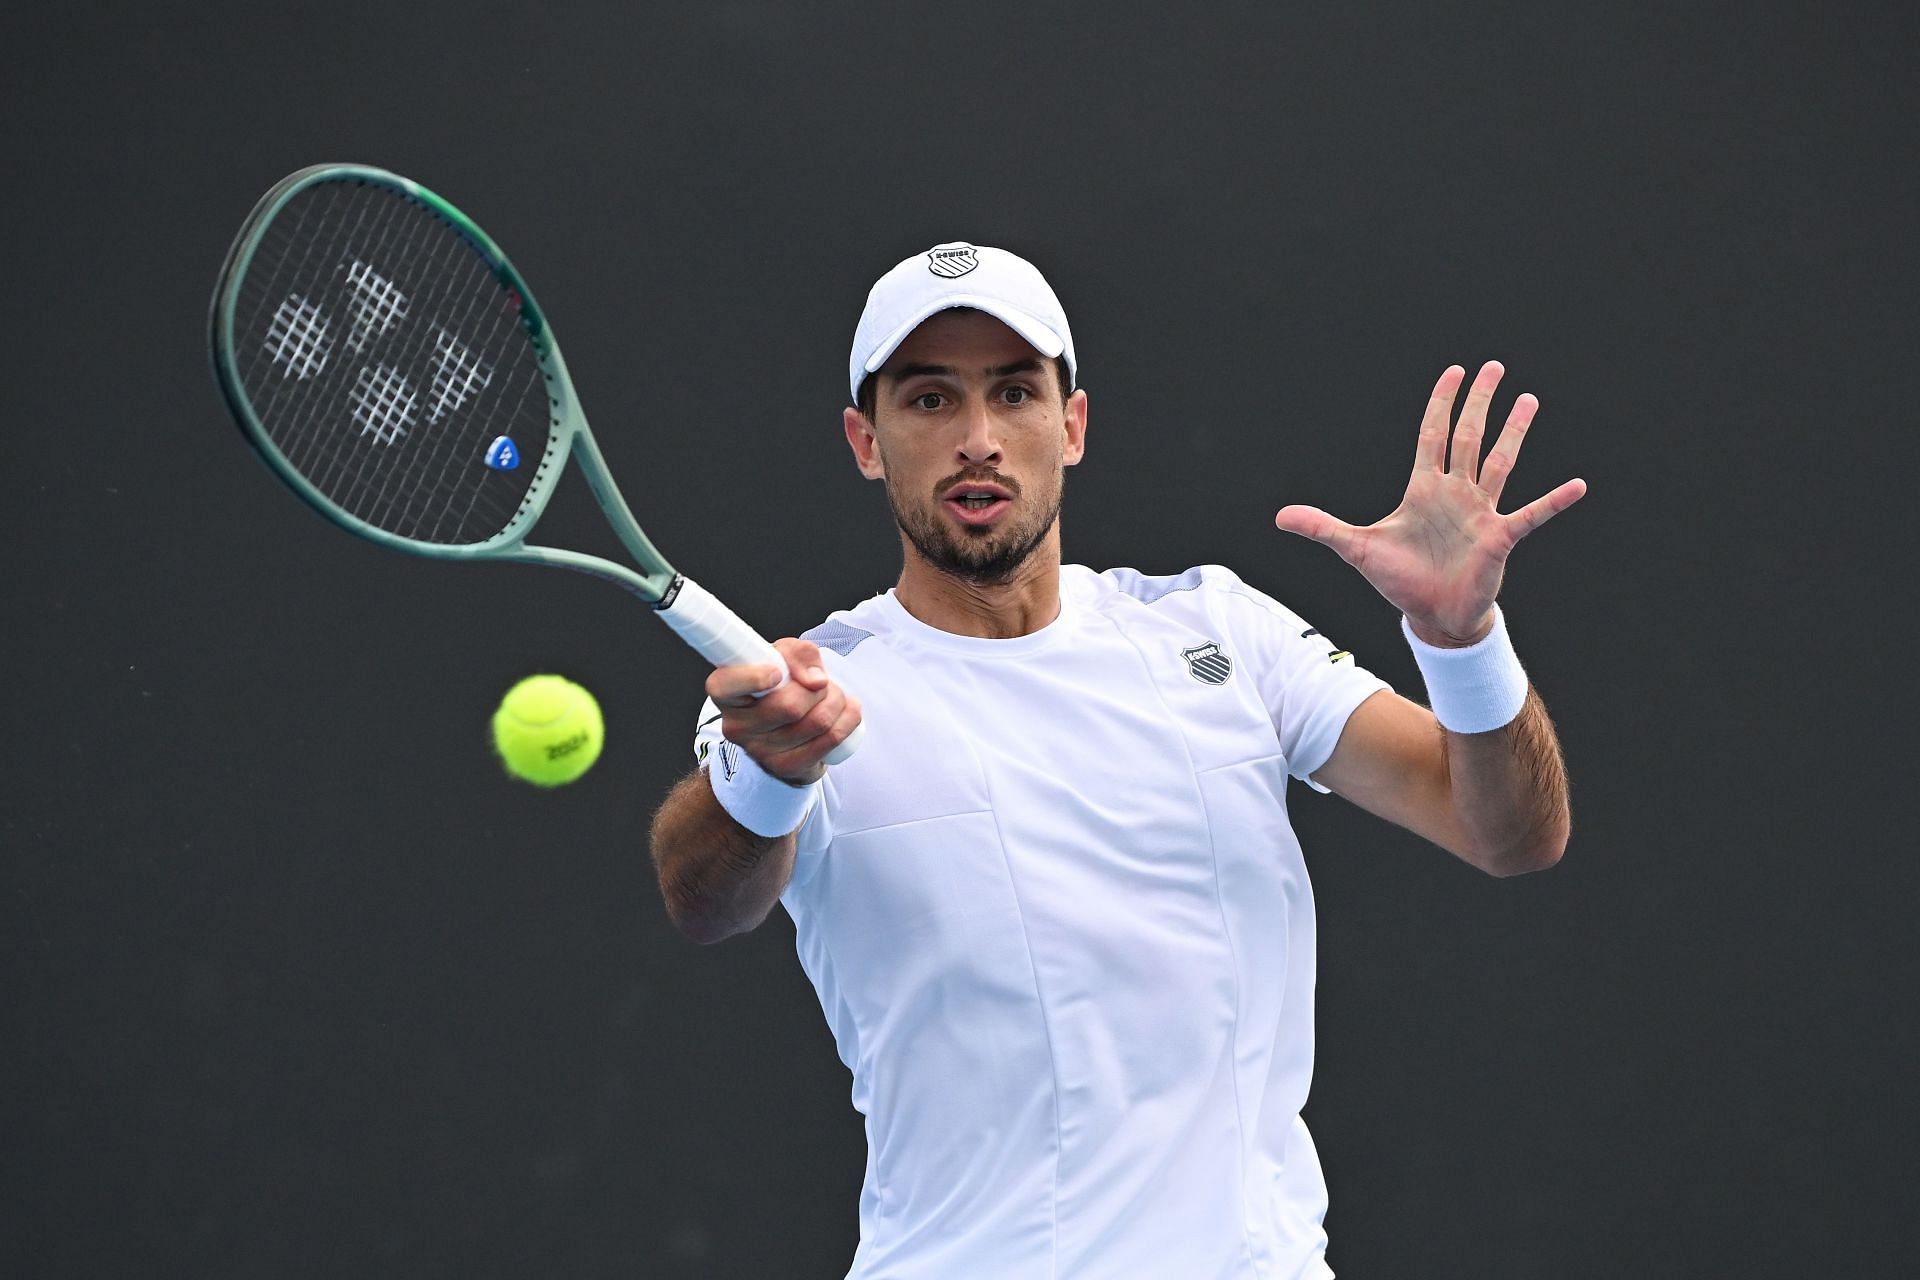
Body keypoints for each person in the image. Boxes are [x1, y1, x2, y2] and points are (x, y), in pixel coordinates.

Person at [648, 241, 1585, 1279]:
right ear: (865, 441)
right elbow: (703, 897)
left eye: (1014, 393)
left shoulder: (1221, 629)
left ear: (1073, 424)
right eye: (927, 401)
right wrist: (768, 774)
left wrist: (1464, 645)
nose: (977, 439)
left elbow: (1509, 831)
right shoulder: (803, 693)